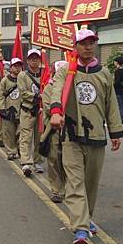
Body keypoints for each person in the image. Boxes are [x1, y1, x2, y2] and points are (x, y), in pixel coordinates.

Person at [49, 29, 123, 244]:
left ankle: (86, 217)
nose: (88, 47)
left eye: (91, 43)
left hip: (97, 137)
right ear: (75, 46)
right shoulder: (66, 71)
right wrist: (55, 111)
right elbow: (56, 91)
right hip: (72, 136)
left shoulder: (104, 74)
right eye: (83, 43)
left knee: (91, 184)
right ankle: (80, 228)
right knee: (75, 183)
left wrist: (116, 132)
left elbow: (111, 106)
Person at [42, 60, 68, 203]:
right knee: (53, 159)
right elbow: (47, 108)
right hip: (53, 130)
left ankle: (69, 188)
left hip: (69, 130)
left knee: (68, 160)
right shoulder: (49, 89)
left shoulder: (70, 88)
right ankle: (56, 189)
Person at [18, 49, 44, 176]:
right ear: (27, 60)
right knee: (26, 137)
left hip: (41, 111)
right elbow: (23, 92)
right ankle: (26, 162)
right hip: (27, 110)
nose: (34, 60)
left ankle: (37, 161)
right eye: (31, 58)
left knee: (39, 137)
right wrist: (38, 96)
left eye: (37, 58)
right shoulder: (22, 75)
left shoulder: (44, 74)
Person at [0, 57, 23, 160]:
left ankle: (21, 149)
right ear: (11, 68)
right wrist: (1, 108)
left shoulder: (24, 79)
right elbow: (0, 95)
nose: (17, 68)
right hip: (8, 109)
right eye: (15, 66)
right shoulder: (5, 80)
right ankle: (11, 151)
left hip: (21, 110)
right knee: (8, 132)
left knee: (21, 132)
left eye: (19, 66)